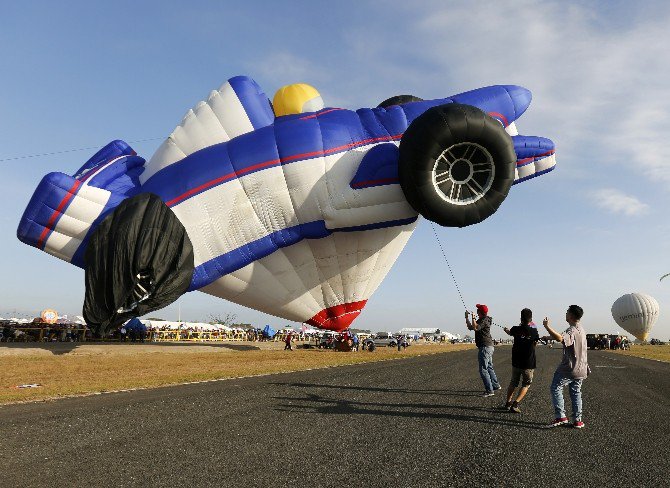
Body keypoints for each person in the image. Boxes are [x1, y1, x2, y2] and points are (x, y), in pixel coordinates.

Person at [543, 305, 590, 429]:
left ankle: (561, 416)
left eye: (567, 312)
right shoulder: (581, 329)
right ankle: (577, 420)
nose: (565, 314)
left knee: (555, 387)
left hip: (569, 369)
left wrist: (547, 326)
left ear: (571, 315)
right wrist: (548, 337)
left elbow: (560, 337)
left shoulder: (571, 330)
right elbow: (562, 338)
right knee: (576, 392)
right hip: (581, 369)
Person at [502, 308, 540, 413]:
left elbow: (510, 332)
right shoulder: (534, 331)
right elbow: (535, 344)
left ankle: (508, 403)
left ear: (521, 318)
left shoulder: (515, 329)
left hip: (516, 362)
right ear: (531, 319)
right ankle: (516, 403)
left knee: (513, 382)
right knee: (526, 384)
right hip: (528, 363)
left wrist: (506, 330)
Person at [465, 304, 501, 397]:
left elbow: (476, 327)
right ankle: (495, 385)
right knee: (489, 367)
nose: (476, 311)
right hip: (488, 347)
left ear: (479, 312)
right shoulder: (482, 320)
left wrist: (473, 318)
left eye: (477, 310)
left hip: (485, 347)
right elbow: (471, 327)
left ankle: (489, 391)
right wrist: (467, 318)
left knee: (483, 369)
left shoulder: (484, 320)